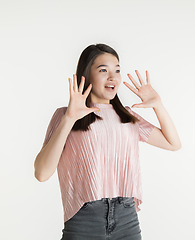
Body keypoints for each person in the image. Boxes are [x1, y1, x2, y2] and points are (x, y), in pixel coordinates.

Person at [34, 43, 181, 240]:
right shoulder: (65, 116)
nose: (113, 77)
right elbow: (42, 173)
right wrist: (69, 119)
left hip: (127, 218)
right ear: (86, 75)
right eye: (103, 70)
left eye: (117, 70)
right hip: (84, 219)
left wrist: (158, 105)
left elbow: (173, 143)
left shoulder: (127, 116)